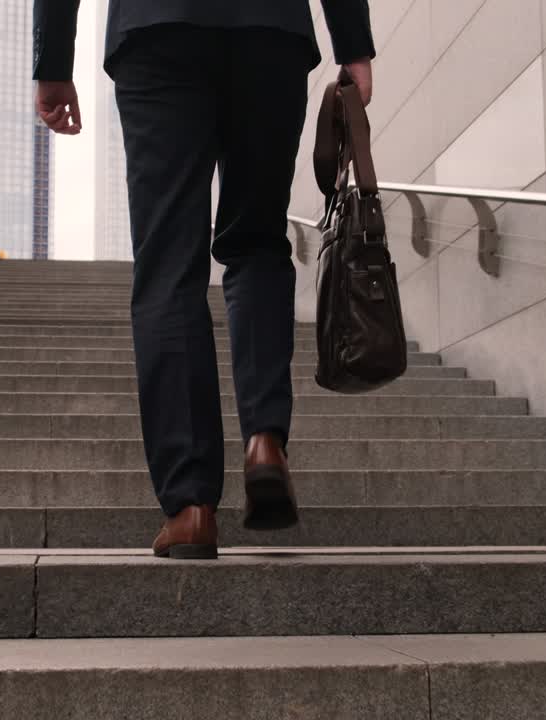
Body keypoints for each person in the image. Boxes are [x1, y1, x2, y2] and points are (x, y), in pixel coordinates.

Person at [33, 1, 375, 559]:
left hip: (157, 31)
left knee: (168, 261)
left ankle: (191, 506)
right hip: (270, 33)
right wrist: (353, 45)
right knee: (258, 240)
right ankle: (265, 439)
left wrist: (52, 59)